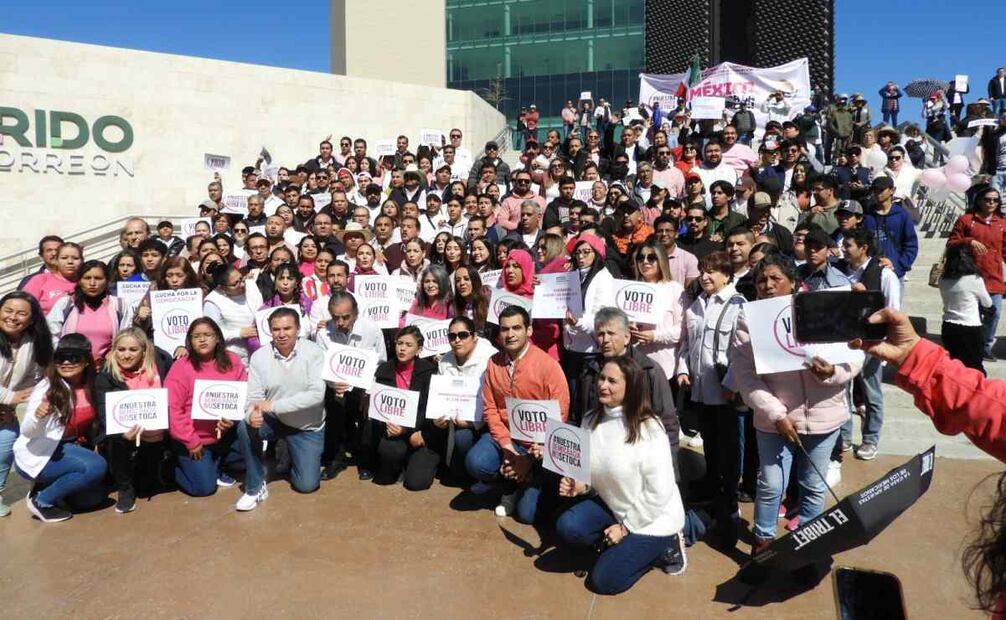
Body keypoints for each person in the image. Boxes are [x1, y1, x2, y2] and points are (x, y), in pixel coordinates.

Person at [731, 253, 862, 557]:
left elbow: (855, 357)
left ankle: (808, 548)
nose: (767, 285)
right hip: (773, 420)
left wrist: (833, 373)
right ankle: (762, 544)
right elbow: (745, 375)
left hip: (824, 416)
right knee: (770, 484)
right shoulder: (748, 319)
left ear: (793, 282)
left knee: (813, 486)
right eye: (762, 279)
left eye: (776, 278)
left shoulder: (822, 308)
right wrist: (776, 413)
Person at [556, 356, 687, 594]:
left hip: (654, 518)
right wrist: (580, 487)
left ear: (631, 387)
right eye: (601, 378)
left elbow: (660, 492)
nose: (602, 385)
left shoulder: (650, 428)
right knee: (568, 527)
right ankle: (623, 548)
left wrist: (625, 528)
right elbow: (593, 472)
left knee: (603, 581)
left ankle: (670, 543)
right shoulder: (590, 419)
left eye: (612, 381)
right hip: (615, 506)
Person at [465, 306, 570, 522]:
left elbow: (560, 413)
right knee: (476, 462)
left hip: (537, 446)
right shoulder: (493, 364)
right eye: (504, 329)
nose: (510, 334)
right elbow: (491, 409)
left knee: (527, 515)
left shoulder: (548, 366)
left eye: (516, 328)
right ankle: (509, 481)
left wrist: (530, 458)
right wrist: (507, 447)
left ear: (529, 330)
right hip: (505, 439)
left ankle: (526, 478)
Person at [675, 251, 745, 543]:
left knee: (728, 453)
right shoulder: (695, 306)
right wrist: (682, 369)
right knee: (712, 448)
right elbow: (686, 345)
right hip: (701, 392)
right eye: (703, 270)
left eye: (712, 271)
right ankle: (713, 495)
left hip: (725, 394)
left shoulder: (738, 305)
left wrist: (732, 383)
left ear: (727, 275)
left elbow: (742, 352)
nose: (705, 276)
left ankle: (728, 510)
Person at [235, 308, 326, 509]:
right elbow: (254, 398)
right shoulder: (259, 356)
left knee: (306, 485)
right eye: (276, 329)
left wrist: (274, 405)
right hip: (275, 420)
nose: (282, 334)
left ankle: (291, 452)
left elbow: (316, 396)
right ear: (269, 331)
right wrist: (252, 415)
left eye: (287, 328)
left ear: (298, 329)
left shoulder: (315, 352)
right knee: (245, 426)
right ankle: (256, 486)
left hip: (307, 426)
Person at [13, 334, 107, 522]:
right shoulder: (47, 387)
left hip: (72, 448)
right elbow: (27, 431)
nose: (66, 363)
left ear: (86, 361)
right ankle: (42, 500)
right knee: (96, 466)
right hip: (43, 452)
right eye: (60, 358)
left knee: (91, 499)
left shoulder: (92, 384)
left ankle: (47, 487)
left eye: (73, 357)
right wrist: (38, 417)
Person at [165, 318, 249, 497]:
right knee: (204, 488)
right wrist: (191, 441)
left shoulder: (232, 360)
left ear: (217, 338)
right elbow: (172, 409)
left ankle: (216, 462)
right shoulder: (181, 367)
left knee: (244, 462)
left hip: (224, 434)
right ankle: (170, 466)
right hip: (193, 440)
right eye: (196, 336)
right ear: (190, 341)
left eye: (207, 335)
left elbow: (242, 396)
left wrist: (231, 420)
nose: (202, 340)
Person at [94, 328, 173, 514]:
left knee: (147, 486)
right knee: (114, 437)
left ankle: (158, 465)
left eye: (133, 350)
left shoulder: (161, 364)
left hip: (157, 434)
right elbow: (105, 412)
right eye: (121, 350)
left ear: (144, 351)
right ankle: (124, 487)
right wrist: (122, 432)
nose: (126, 355)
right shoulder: (106, 376)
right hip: (125, 435)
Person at [315, 291, 387, 480]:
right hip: (336, 386)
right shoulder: (323, 334)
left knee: (367, 414)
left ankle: (366, 461)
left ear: (356, 313)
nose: (340, 323)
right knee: (334, 408)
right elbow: (322, 365)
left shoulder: (372, 329)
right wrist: (333, 383)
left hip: (364, 386)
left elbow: (381, 363)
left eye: (346, 317)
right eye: (336, 317)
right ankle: (335, 460)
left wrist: (369, 390)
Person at [0, 291, 52, 517]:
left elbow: (36, 377)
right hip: (4, 402)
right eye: (8, 311)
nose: (13, 317)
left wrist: (19, 399)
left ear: (31, 319)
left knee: (7, 442)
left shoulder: (33, 343)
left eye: (21, 313)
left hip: (4, 411)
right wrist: (9, 398)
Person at [366, 325, 438, 489]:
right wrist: (386, 424)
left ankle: (425, 463)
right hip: (393, 431)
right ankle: (397, 465)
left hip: (420, 433)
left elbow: (429, 408)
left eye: (408, 345)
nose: (402, 348)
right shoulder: (384, 370)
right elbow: (378, 406)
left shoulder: (430, 372)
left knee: (416, 483)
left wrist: (414, 431)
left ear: (419, 349)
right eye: (400, 343)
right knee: (387, 462)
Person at [947, 185, 1006, 362]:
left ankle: (985, 346)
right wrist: (969, 241)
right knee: (972, 315)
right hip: (969, 276)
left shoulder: (1002, 223)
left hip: (993, 275)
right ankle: (971, 346)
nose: (991, 203)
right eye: (988, 199)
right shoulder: (966, 220)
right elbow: (951, 243)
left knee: (993, 312)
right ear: (979, 200)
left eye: (995, 200)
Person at [47, 260, 126, 365]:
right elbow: (51, 334)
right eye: (87, 278)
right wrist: (65, 357)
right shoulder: (66, 304)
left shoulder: (118, 305)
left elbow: (125, 336)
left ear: (107, 280)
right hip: (71, 368)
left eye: (98, 278)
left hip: (107, 369)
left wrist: (111, 358)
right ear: (79, 280)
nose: (92, 283)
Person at [939, 243, 993, 373]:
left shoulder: (943, 279)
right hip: (970, 327)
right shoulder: (974, 279)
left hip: (949, 326)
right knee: (974, 367)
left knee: (955, 367)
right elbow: (987, 303)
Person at [863, 176, 919, 282]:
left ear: (892, 190)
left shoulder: (902, 215)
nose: (878, 193)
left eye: (881, 190)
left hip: (895, 273)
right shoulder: (867, 216)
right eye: (875, 190)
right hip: (870, 272)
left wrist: (898, 266)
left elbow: (911, 245)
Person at [203, 264, 257, 365]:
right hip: (234, 357)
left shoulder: (251, 285)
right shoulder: (212, 302)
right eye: (234, 284)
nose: (242, 285)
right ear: (221, 288)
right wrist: (239, 333)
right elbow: (211, 333)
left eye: (241, 279)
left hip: (258, 352)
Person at [24, 241, 82, 315]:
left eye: (75, 258)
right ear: (57, 261)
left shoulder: (87, 281)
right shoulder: (40, 280)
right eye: (64, 258)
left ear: (81, 260)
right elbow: (22, 307)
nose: (70, 261)